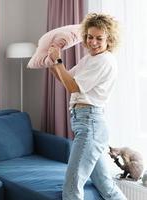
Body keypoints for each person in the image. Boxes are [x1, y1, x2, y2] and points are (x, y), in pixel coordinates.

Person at [48, 13, 126, 200]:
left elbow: (73, 86)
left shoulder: (104, 60)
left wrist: (58, 61)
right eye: (90, 37)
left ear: (110, 40)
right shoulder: (90, 59)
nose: (93, 42)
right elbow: (64, 78)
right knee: (106, 186)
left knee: (72, 186)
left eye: (99, 38)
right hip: (86, 122)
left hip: (90, 123)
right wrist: (50, 59)